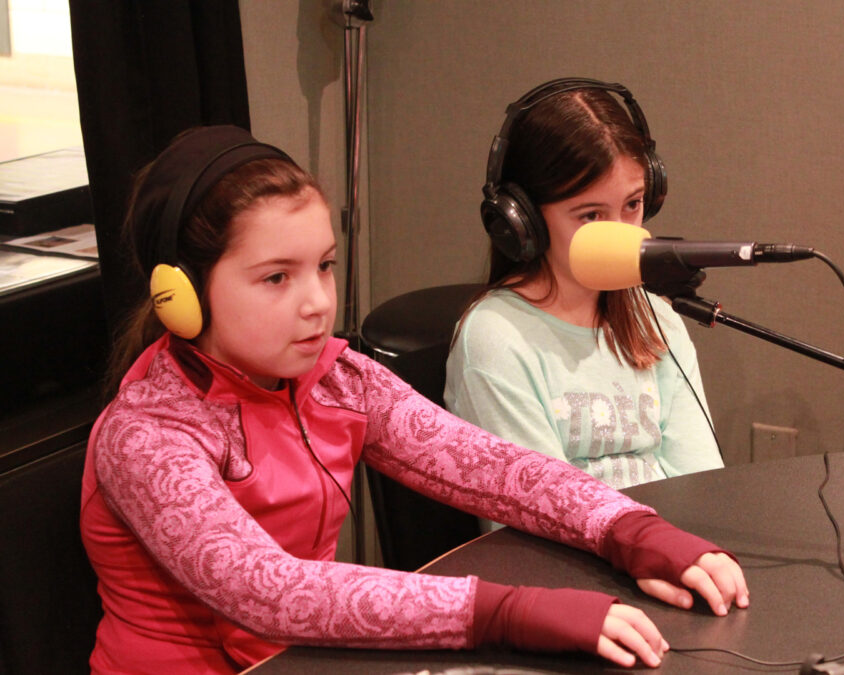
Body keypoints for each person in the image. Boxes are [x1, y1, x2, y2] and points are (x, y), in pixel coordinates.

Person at [80, 125, 749, 674]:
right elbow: (273, 591)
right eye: (276, 277)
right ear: (182, 294)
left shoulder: (335, 378)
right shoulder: (147, 434)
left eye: (324, 265)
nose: (316, 302)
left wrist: (631, 530)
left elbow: (491, 467)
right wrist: (511, 612)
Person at [445, 78, 723, 490]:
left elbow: (700, 484)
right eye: (591, 215)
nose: (620, 231)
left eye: (633, 204)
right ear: (525, 223)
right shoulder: (496, 339)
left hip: (671, 545)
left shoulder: (657, 320)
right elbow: (545, 509)